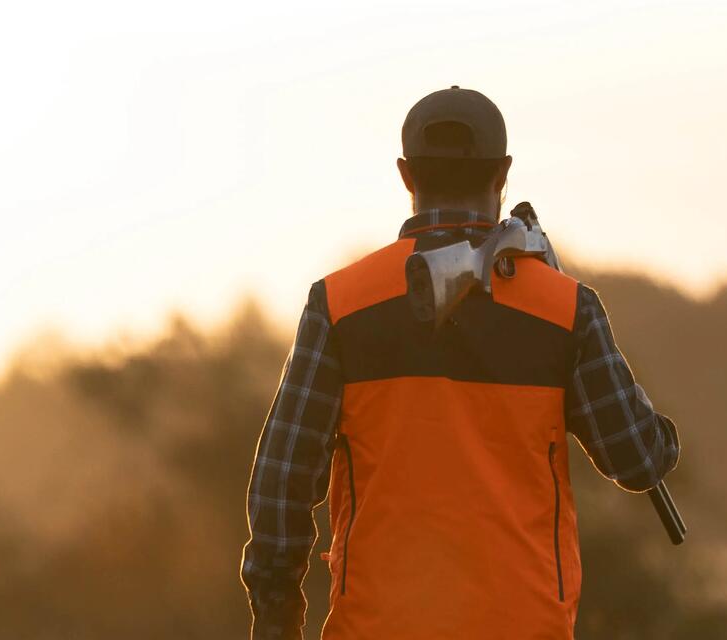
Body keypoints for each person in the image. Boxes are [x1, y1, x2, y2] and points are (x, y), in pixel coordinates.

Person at [239, 86, 681, 640]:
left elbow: (283, 476)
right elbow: (638, 458)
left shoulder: (340, 302)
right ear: (503, 173)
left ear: (406, 175)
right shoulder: (566, 308)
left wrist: (277, 613)